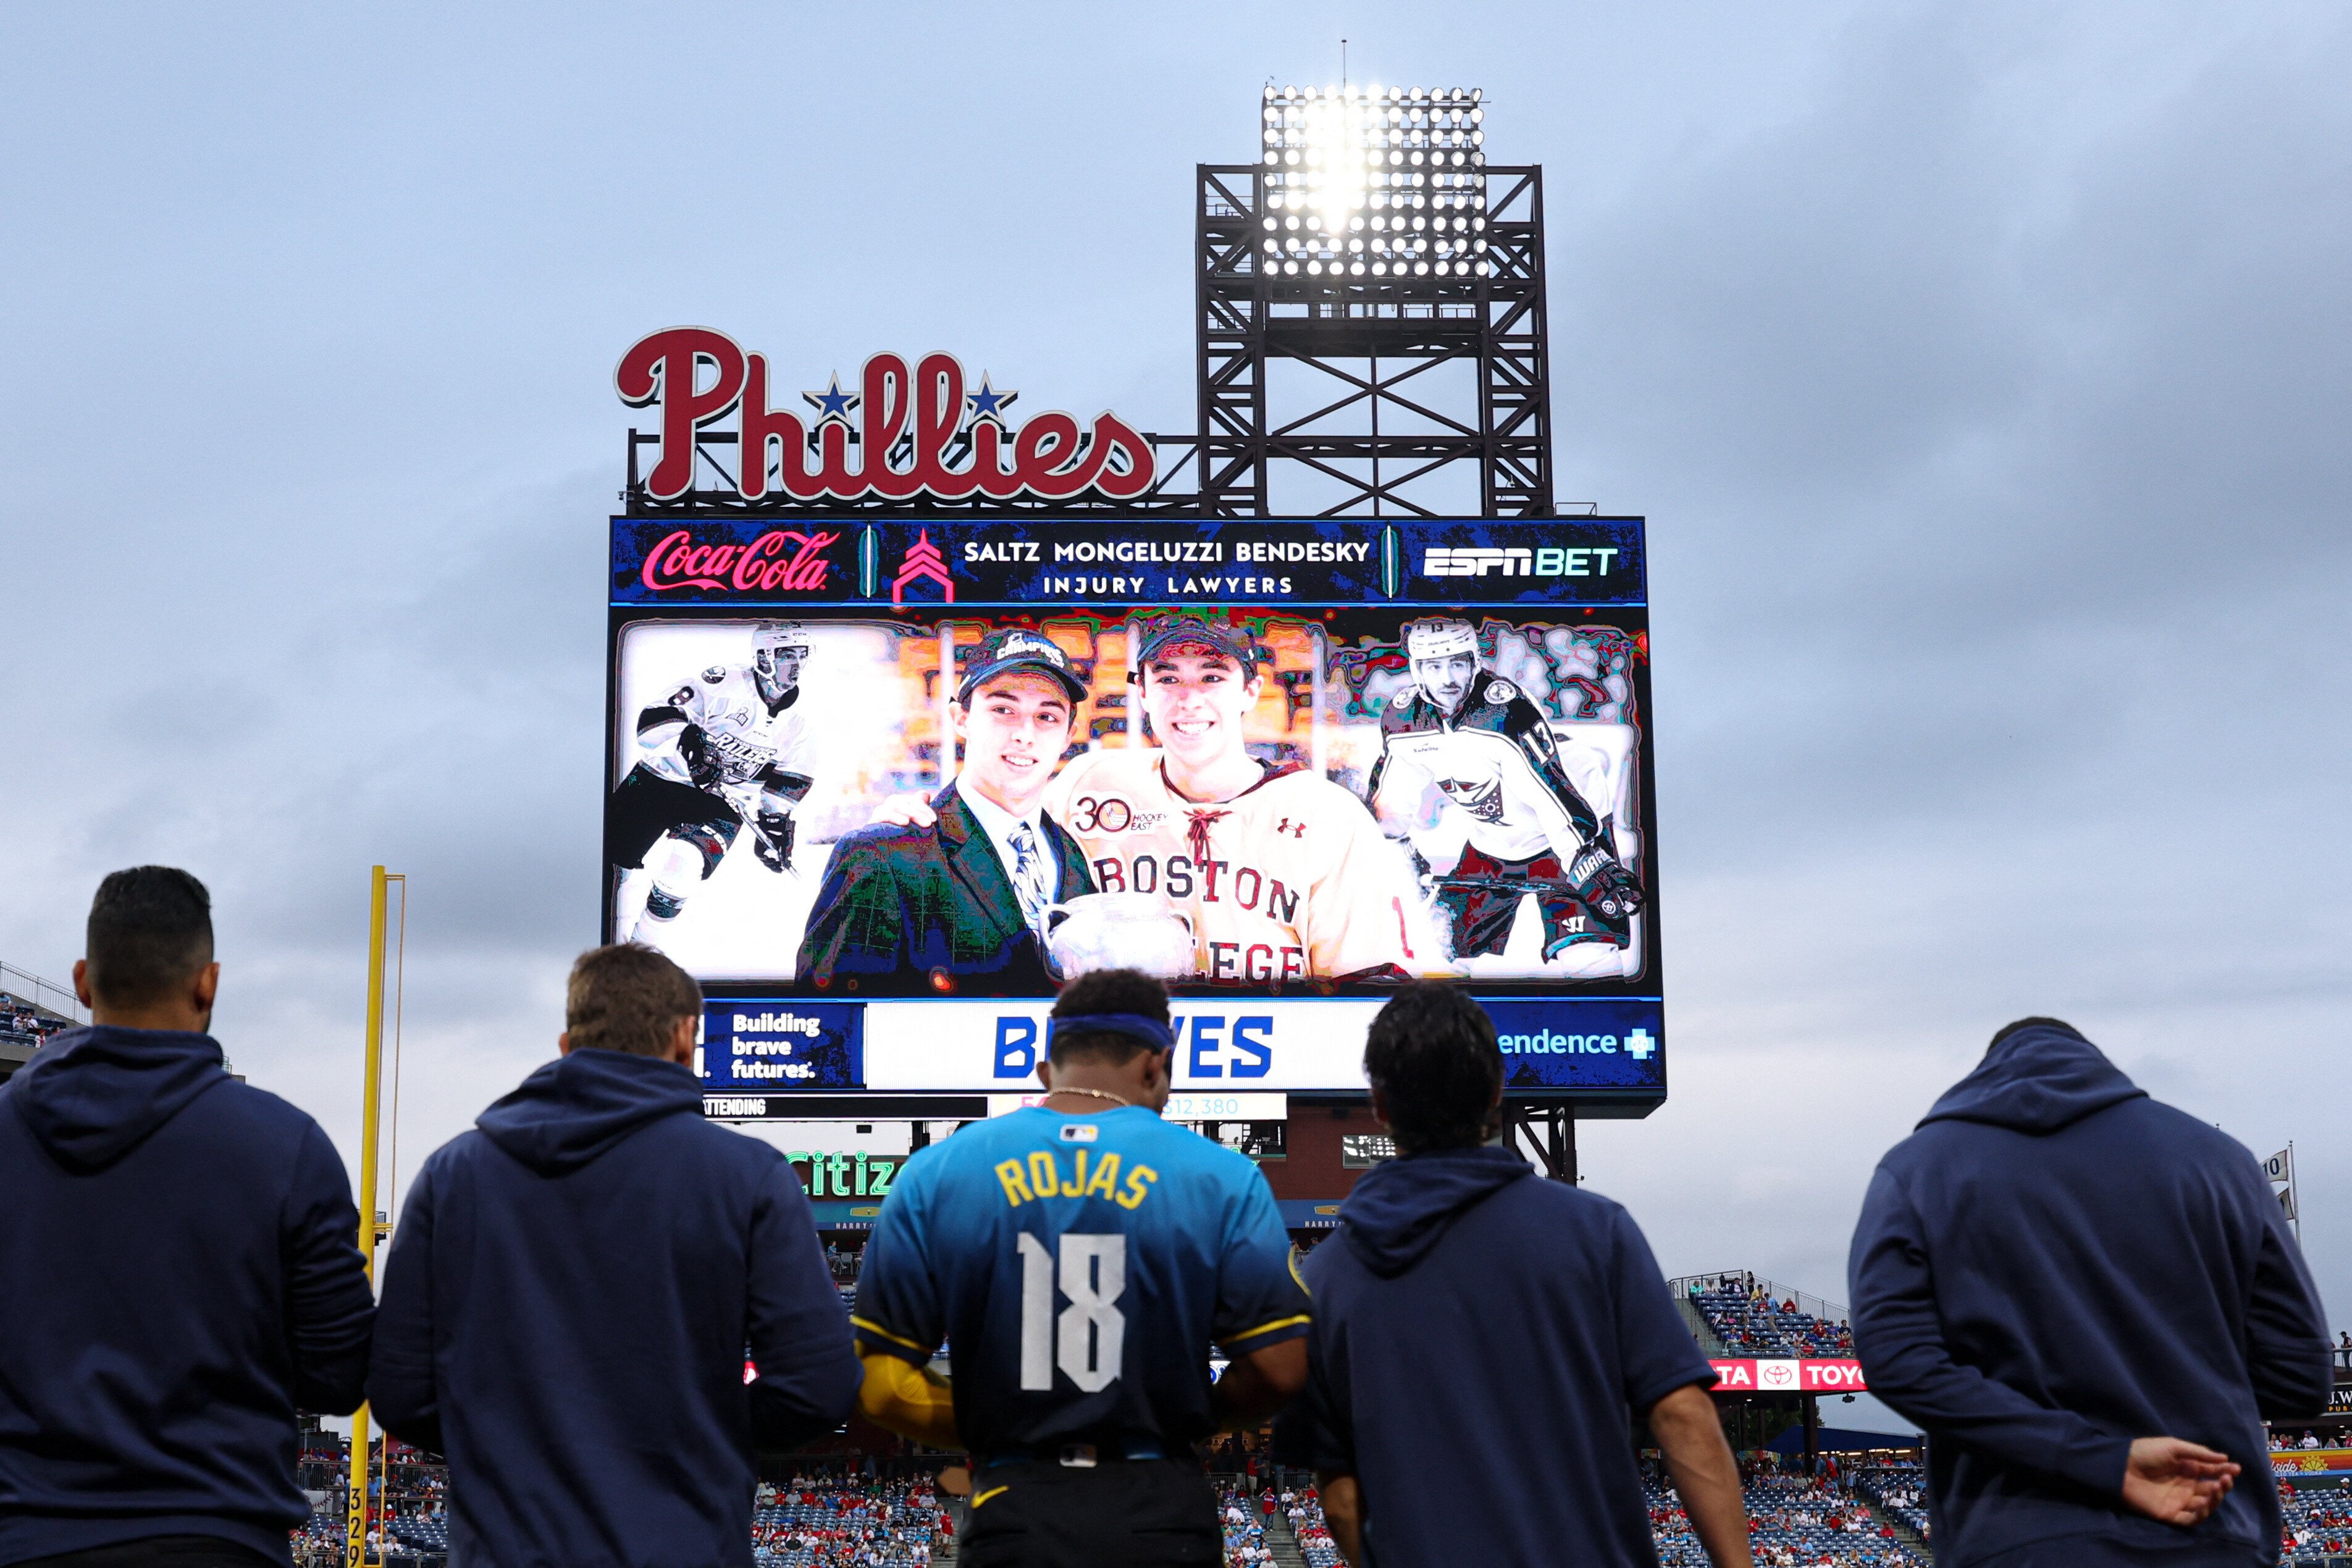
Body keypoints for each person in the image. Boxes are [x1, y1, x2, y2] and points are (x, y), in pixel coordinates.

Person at [368, 943, 860, 1567]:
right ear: (687, 1038)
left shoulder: (453, 1175)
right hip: (685, 1545)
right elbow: (818, 1388)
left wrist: (509, 1438)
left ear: (566, 1047)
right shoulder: (748, 1176)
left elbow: (400, 1393)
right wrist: (697, 1426)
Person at [1270, 981, 1750, 1567]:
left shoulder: (1323, 1280)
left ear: (1380, 1105)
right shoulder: (1596, 1232)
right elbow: (1682, 1414)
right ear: (1497, 1091)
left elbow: (1342, 1502)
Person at [845, 967, 1311, 1567]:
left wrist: (1003, 1422)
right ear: (1154, 1064)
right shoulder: (1224, 1177)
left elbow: (882, 1389)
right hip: (1159, 1506)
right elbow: (1279, 1370)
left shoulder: (933, 1174)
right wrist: (1191, 1413)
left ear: (1045, 1072)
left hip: (1016, 1506)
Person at [1850, 1017, 2332, 1567]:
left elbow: (1897, 1361)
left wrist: (2089, 1454)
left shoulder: (1916, 1170)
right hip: (2209, 1527)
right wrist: (2176, 1394)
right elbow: (2300, 1379)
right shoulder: (2221, 1161)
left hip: (2016, 1538)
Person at [0, 867, 374, 1568]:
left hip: (28, 1536)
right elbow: (338, 1373)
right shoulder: (285, 1144)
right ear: (209, 983)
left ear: (83, 981)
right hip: (220, 1536)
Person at [1045, 614, 1419, 985]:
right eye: (1168, 678)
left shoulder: (1329, 815)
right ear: (1142, 692)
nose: (1189, 700)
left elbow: (1365, 984)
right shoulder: (1090, 784)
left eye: (1212, 678)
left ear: (1250, 691)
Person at [797, 627, 1094, 992]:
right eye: (1003, 710)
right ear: (961, 718)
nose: (1025, 734)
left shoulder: (1075, 858)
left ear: (1069, 734)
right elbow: (826, 1022)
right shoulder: (881, 854)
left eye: (1047, 717)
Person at [1363, 618, 1644, 971]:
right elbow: (1389, 805)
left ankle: (1603, 1024)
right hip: (1493, 843)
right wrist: (1397, 854)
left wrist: (1586, 860)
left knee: (1588, 956)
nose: (1447, 679)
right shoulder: (1404, 720)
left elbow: (1549, 791)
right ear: (1417, 669)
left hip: (1567, 830)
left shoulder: (1502, 711)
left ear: (1475, 663)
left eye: (1457, 664)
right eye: (1434, 666)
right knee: (1435, 950)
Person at [609, 621, 820, 944]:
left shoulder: (801, 722)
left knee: (683, 868)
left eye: (802, 655)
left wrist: (774, 821)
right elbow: (650, 723)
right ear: (764, 658)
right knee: (608, 868)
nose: (797, 665)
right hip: (659, 780)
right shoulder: (723, 683)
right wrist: (687, 740)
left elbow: (792, 776)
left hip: (722, 802)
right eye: (786, 655)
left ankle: (641, 952)